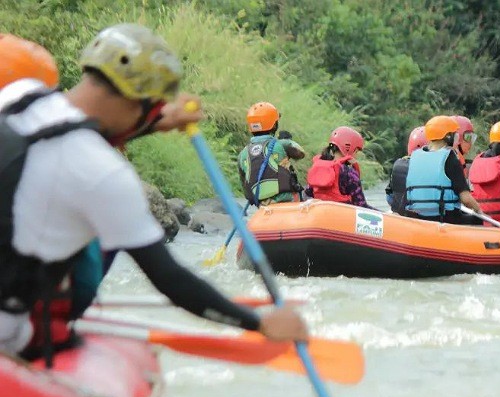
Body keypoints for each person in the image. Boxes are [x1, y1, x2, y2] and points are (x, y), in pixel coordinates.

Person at [0, 27, 307, 359]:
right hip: (12, 331)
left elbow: (66, 139)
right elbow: (170, 279)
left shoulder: (20, 95)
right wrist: (258, 324)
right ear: (138, 102)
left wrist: (154, 120)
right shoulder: (108, 176)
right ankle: (59, 318)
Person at [405, 115, 483, 224]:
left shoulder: (415, 156)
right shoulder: (449, 158)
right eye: (455, 134)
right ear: (448, 137)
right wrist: (479, 211)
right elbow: (465, 198)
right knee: (478, 220)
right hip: (447, 217)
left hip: (419, 217)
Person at [237, 102, 306, 207]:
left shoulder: (242, 154)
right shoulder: (281, 145)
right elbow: (301, 153)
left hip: (262, 207)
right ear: (274, 125)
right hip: (285, 202)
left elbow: (245, 186)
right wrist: (285, 141)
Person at [305, 126, 377, 210]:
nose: (356, 155)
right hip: (343, 219)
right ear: (350, 149)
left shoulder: (318, 168)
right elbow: (361, 205)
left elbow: (308, 193)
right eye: (356, 151)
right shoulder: (349, 173)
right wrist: (385, 214)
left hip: (320, 216)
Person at [384, 126, 427, 215]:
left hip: (399, 212)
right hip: (424, 216)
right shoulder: (435, 167)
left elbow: (389, 197)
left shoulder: (399, 163)